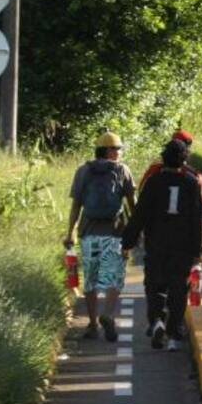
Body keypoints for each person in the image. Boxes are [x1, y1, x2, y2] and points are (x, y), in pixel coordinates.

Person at [122, 139, 202, 351]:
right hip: (183, 246)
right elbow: (197, 220)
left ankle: (156, 320)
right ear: (184, 159)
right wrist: (197, 251)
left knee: (154, 285)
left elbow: (139, 215)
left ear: (163, 158)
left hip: (157, 243)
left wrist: (128, 242)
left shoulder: (154, 181)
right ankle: (173, 332)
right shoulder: (191, 183)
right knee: (178, 289)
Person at [64, 132, 137, 342]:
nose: (120, 152)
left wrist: (71, 232)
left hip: (89, 234)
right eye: (119, 148)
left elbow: (76, 205)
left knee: (92, 278)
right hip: (115, 234)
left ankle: (93, 324)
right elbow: (133, 204)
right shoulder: (122, 170)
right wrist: (136, 230)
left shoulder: (83, 171)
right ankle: (108, 314)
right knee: (114, 275)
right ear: (111, 151)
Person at [139, 130, 202, 299]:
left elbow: (142, 200)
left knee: (155, 273)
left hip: (156, 234)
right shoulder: (194, 175)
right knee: (201, 250)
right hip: (182, 236)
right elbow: (201, 207)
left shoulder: (153, 172)